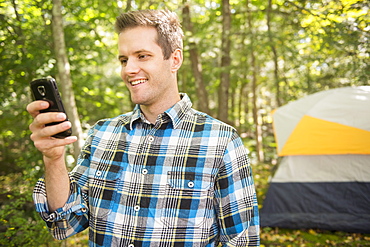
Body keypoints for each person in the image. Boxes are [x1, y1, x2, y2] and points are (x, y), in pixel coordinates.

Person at [27, 9, 260, 246]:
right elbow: (64, 224)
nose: (129, 69)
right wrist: (53, 159)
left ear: (175, 60)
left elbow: (242, 241)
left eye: (142, 56)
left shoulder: (220, 140)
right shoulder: (101, 134)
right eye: (123, 60)